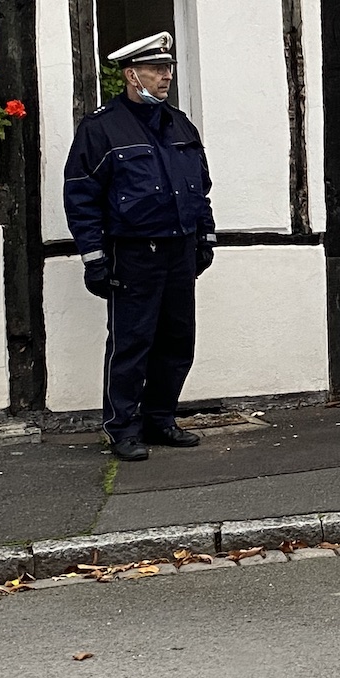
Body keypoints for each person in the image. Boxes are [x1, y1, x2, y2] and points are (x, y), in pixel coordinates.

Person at [63, 32, 215, 462]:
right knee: (132, 343)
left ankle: (160, 418)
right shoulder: (101, 127)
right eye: (156, 69)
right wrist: (94, 259)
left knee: (177, 340)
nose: (166, 76)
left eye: (168, 69)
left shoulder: (180, 123)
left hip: (179, 250)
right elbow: (81, 197)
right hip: (133, 254)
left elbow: (199, 188)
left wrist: (205, 237)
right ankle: (123, 428)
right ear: (132, 74)